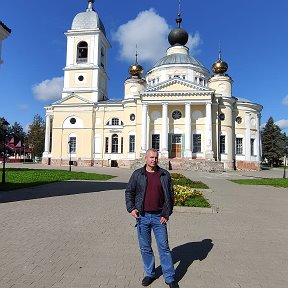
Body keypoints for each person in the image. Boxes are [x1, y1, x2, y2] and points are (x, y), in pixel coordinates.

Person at [125, 148, 179, 288]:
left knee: (164, 248)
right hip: (142, 216)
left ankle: (169, 277)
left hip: (159, 217)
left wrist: (166, 214)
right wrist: (131, 208)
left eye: (155, 157)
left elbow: (170, 196)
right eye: (151, 157)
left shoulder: (164, 174)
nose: (153, 160)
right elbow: (129, 192)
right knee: (145, 248)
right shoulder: (138, 174)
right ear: (145, 158)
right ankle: (150, 273)